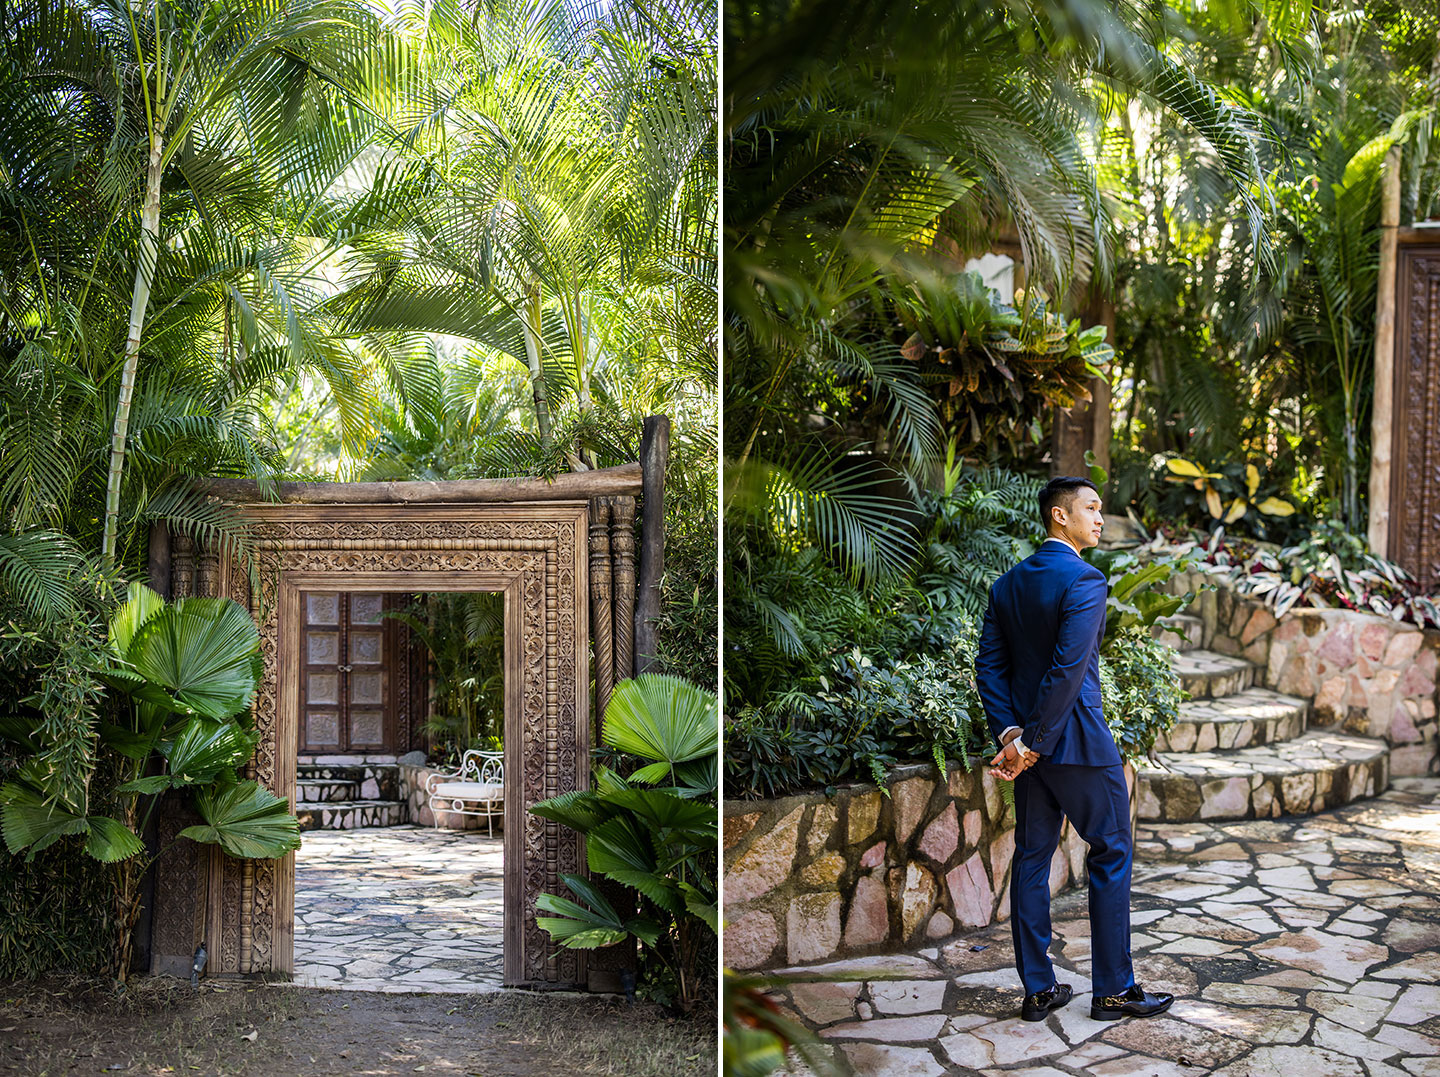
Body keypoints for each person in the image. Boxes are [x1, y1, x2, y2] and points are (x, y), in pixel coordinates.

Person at [974, 476, 1174, 1023]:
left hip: (1031, 752)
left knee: (1033, 858)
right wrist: (1033, 743)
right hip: (1081, 746)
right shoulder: (1085, 579)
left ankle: (1038, 989)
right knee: (1111, 852)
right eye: (1091, 508)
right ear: (1059, 517)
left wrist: (1014, 738)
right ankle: (1113, 989)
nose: (1100, 518)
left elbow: (989, 667)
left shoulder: (1008, 584)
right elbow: (1067, 673)